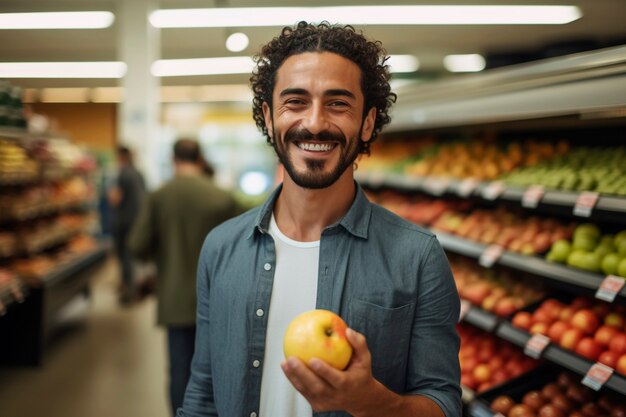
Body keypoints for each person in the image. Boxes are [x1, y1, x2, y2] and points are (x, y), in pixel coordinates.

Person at [178, 21, 461, 417]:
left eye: (338, 103)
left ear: (366, 122)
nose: (314, 122)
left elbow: (443, 403)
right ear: (268, 115)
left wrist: (374, 404)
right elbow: (203, 394)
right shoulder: (222, 248)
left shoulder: (416, 257)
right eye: (295, 101)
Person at [128, 138, 243, 416]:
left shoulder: (160, 196)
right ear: (200, 159)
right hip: (220, 300)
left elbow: (137, 245)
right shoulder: (222, 196)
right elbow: (247, 239)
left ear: (174, 159)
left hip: (175, 299)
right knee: (217, 369)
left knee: (181, 370)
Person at [108, 145, 145, 304]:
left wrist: (110, 196)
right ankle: (131, 287)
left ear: (121, 157)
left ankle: (128, 290)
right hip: (137, 220)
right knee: (131, 255)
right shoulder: (139, 173)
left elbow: (117, 199)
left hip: (124, 221)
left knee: (124, 256)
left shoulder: (123, 174)